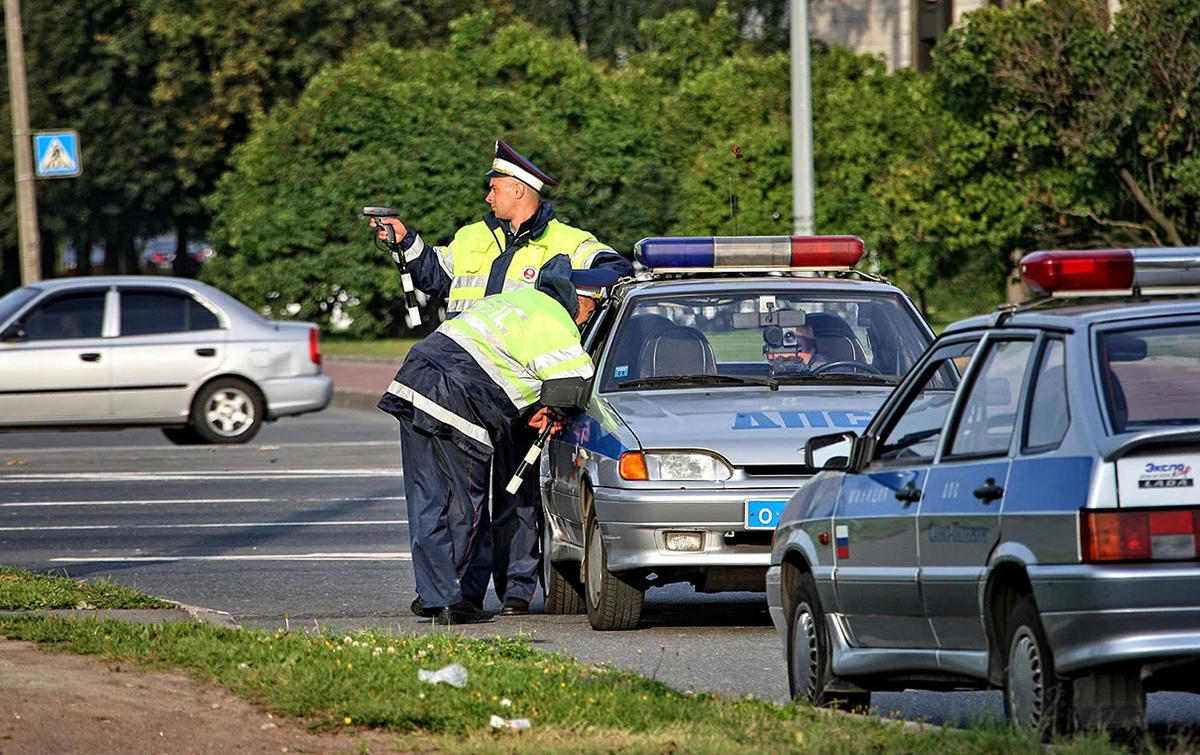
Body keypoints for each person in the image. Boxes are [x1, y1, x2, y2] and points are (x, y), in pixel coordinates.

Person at [371, 139, 632, 616]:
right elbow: (434, 273)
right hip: (470, 385)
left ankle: (514, 590)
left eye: (494, 189)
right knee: (463, 497)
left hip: (523, 393)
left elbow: (615, 269)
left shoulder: (568, 241)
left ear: (518, 190)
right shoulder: (473, 236)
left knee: (517, 496)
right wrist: (405, 241)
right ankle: (460, 592)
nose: (488, 198)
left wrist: (566, 287)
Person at [377, 259, 619, 625]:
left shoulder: (515, 301)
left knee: (426, 500)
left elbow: (502, 359)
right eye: (590, 307)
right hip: (458, 401)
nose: (588, 318)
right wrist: (554, 410)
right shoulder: (557, 322)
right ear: (579, 301)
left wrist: (532, 409)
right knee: (464, 506)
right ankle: (449, 599)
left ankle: (432, 592)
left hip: (414, 381)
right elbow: (579, 381)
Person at [764, 323, 828, 376]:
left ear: (811, 346)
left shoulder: (828, 370)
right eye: (775, 346)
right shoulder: (760, 375)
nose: (777, 354)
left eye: (794, 343)